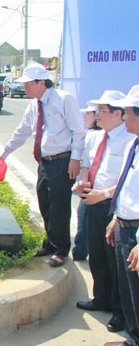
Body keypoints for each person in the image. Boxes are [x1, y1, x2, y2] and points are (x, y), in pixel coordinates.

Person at [0, 62, 85, 267]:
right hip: (44, 162)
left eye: (28, 84)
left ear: (41, 82)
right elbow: (22, 132)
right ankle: (50, 242)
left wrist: (76, 159)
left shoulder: (64, 99)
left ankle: (61, 249)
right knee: (45, 203)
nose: (25, 88)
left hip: (62, 161)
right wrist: (3, 155)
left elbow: (78, 131)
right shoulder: (33, 105)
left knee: (59, 206)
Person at [73, 90, 134, 334]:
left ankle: (119, 312)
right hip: (92, 202)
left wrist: (104, 194)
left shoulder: (129, 140)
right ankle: (101, 298)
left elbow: (124, 180)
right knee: (96, 255)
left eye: (103, 111)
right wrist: (83, 184)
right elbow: (87, 165)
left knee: (115, 262)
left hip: (112, 205)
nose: (97, 115)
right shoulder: (95, 137)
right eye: (96, 110)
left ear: (119, 114)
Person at [104, 87, 139, 346]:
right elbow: (128, 188)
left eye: (127, 113)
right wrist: (117, 218)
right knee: (128, 291)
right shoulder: (134, 144)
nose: (124, 118)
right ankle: (132, 338)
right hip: (124, 226)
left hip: (136, 233)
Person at [72, 105, 102, 261]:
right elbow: (86, 164)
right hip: (89, 189)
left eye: (88, 114)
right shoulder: (90, 134)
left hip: (102, 192)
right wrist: (84, 185)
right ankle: (80, 251)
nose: (86, 117)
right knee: (83, 218)